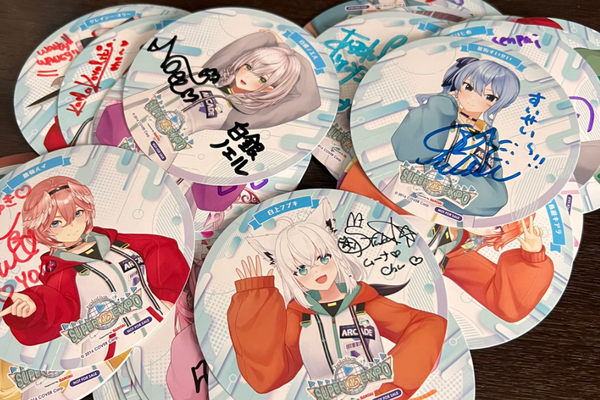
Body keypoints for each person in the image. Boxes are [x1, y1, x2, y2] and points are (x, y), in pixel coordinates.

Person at [227, 199, 446, 399]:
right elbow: (269, 377)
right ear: (290, 276)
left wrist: (391, 388)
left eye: (323, 258)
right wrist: (254, 299)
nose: (316, 271)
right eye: (301, 269)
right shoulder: (299, 318)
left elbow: (429, 326)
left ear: (335, 254)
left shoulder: (364, 302)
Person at [0, 176, 190, 366]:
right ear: (42, 229)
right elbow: (59, 309)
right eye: (56, 223)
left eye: (77, 213)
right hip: (115, 355)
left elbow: (160, 247)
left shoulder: (115, 241)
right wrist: (33, 307)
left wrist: (167, 296)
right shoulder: (61, 273)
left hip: (164, 326)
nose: (71, 225)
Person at [387, 57, 520, 217]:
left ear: (499, 107)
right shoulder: (440, 113)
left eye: (489, 97)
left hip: (448, 215)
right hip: (403, 200)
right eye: (468, 87)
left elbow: (495, 198)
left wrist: (438, 177)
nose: (473, 98)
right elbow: (408, 151)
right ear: (458, 85)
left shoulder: (487, 139)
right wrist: (441, 107)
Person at [428, 215, 554, 322]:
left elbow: (508, 308)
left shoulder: (456, 254)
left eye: (497, 227)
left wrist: (533, 257)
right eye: (490, 215)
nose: (484, 222)